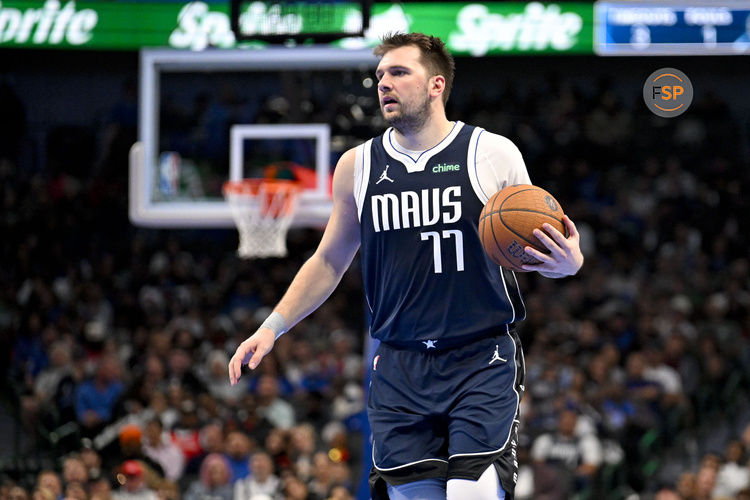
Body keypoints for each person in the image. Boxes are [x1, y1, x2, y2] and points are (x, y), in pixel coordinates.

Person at [228, 32, 583, 500]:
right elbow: (329, 259)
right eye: (379, 76)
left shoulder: (492, 152)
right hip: (399, 365)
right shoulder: (357, 166)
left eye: (399, 72)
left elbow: (543, 246)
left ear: (436, 84)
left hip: (480, 357)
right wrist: (271, 327)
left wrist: (568, 262)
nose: (384, 84)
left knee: (472, 495)